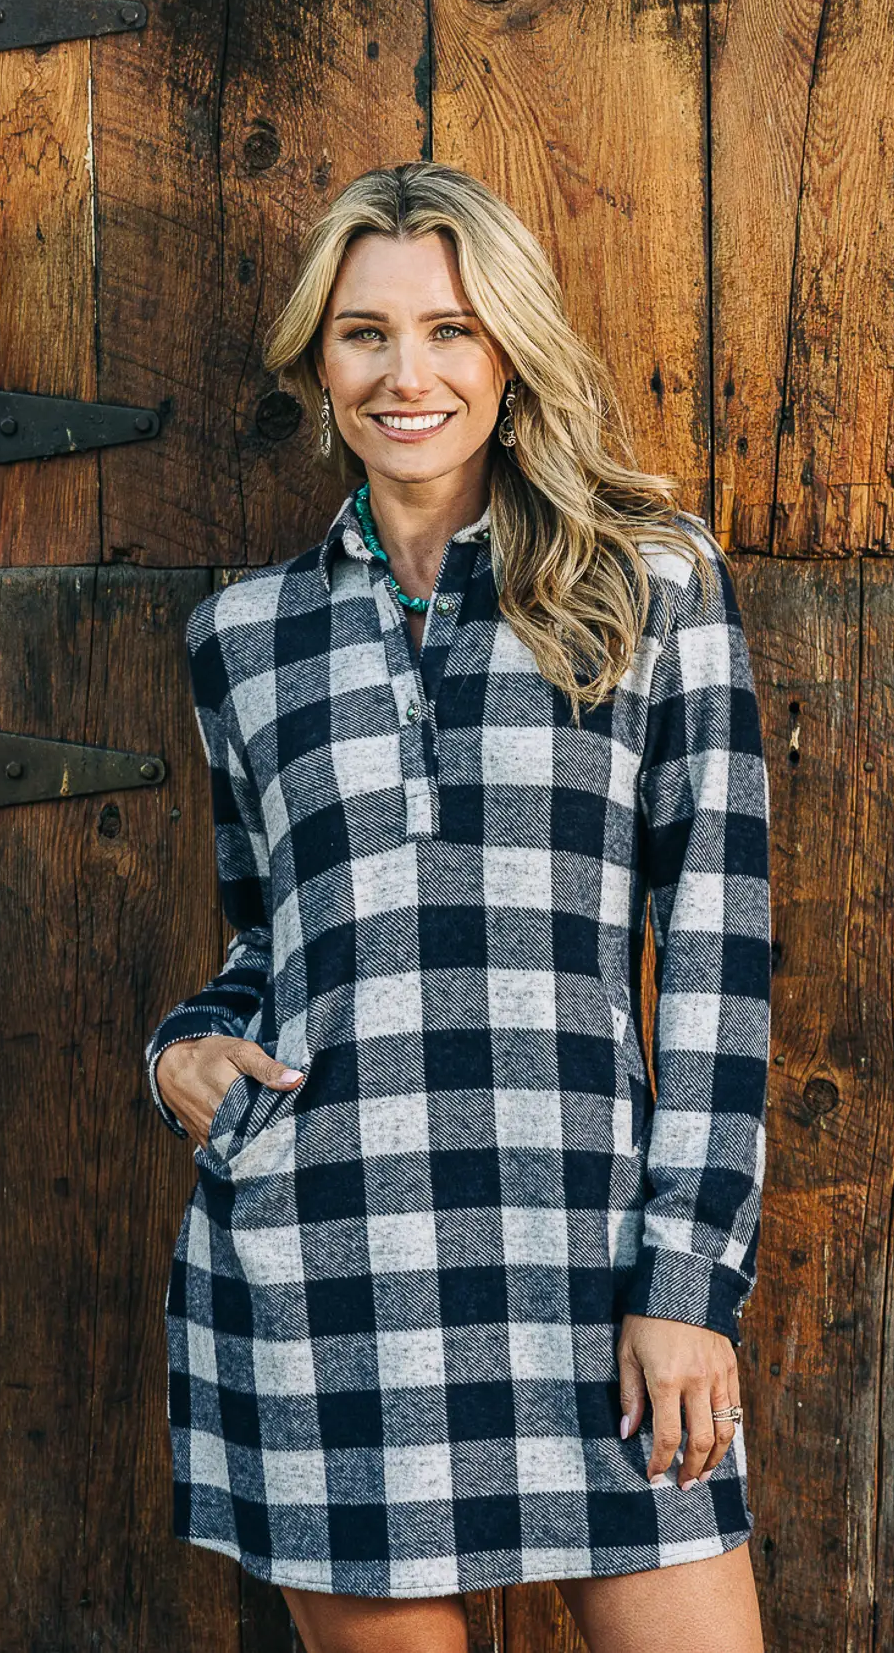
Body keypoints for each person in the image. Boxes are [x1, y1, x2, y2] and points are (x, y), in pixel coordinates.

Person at [143, 160, 770, 1653]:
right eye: (365, 334)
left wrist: (686, 1283)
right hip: (328, 1253)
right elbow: (274, 938)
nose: (406, 373)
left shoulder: (652, 587)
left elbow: (724, 951)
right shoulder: (243, 638)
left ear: (511, 354)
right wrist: (185, 1043)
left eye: (451, 330)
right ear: (318, 361)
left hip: (590, 1259)